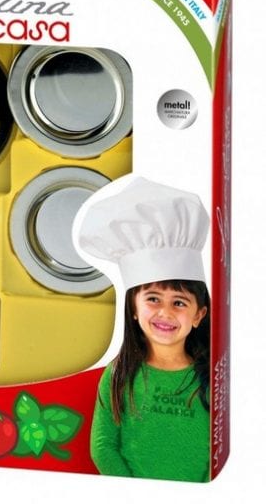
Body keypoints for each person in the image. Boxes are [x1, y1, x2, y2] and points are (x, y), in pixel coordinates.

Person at [75, 176, 211, 482]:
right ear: (134, 308)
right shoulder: (118, 374)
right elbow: (103, 447)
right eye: (153, 298)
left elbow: (214, 450)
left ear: (199, 315)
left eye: (179, 302)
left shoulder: (208, 378)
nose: (165, 312)